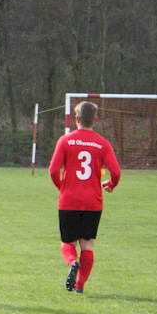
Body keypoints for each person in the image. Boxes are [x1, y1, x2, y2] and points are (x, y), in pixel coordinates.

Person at [49, 101, 121, 294]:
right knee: (87, 243)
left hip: (69, 199)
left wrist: (62, 186)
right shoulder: (102, 143)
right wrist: (111, 184)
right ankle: (79, 286)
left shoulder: (66, 141)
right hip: (93, 201)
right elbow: (116, 171)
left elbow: (53, 170)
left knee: (67, 242)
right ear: (95, 119)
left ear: (76, 118)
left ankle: (73, 263)